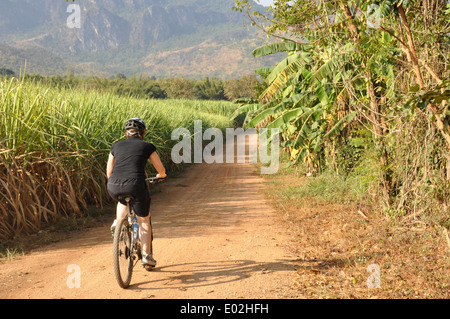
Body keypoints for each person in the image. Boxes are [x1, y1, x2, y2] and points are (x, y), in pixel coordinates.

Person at [106, 118, 166, 267]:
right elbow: (161, 169)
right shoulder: (147, 146)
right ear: (142, 133)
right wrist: (161, 176)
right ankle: (146, 256)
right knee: (143, 220)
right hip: (136, 185)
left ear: (126, 133)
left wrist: (116, 180)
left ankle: (118, 222)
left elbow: (109, 172)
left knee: (122, 199)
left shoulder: (115, 146)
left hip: (113, 185)